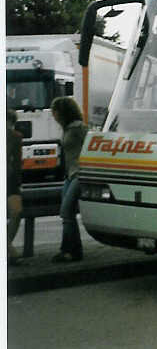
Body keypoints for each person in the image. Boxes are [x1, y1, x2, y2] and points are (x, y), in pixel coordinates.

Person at [50, 97, 89, 262]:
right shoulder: (66, 129)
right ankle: (70, 250)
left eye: (55, 112)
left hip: (79, 174)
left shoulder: (79, 128)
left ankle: (70, 250)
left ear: (63, 112)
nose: (54, 116)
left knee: (66, 211)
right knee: (67, 214)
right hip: (70, 175)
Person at [7, 109, 23, 264]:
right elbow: (18, 163)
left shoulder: (15, 137)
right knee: (16, 213)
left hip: (10, 179)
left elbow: (17, 163)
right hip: (11, 179)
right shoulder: (15, 136)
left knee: (16, 212)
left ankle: (7, 246)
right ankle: (9, 248)